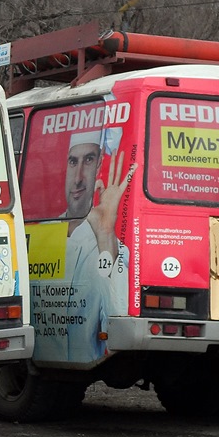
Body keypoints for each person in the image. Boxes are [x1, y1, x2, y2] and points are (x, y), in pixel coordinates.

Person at [61, 127, 135, 361]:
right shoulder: (41, 232)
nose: (79, 176)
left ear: (99, 167)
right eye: (73, 162)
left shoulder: (113, 247)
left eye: (89, 160)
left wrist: (104, 234)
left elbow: (117, 322)